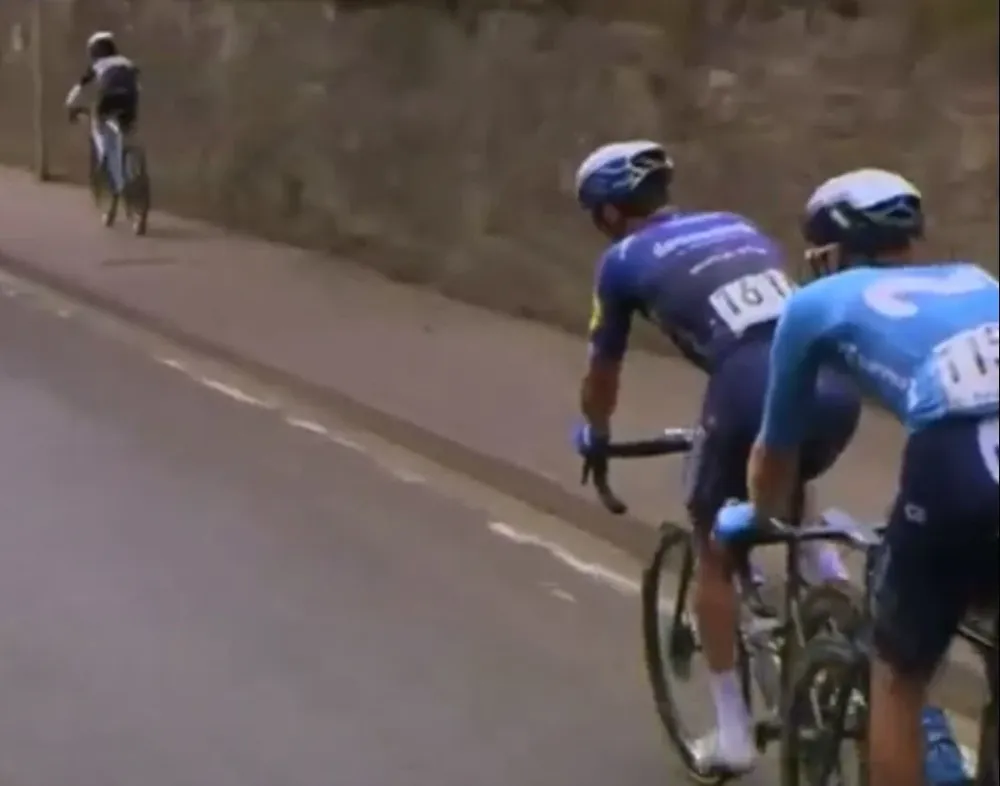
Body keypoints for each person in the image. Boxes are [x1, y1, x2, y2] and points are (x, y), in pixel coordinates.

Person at [569, 140, 862, 774]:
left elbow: (603, 371)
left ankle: (731, 733)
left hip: (748, 384)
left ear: (609, 213)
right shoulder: (736, 223)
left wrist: (595, 432)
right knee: (786, 454)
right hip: (837, 385)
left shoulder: (620, 262)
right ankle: (827, 572)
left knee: (713, 550)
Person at [722, 167, 998, 786]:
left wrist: (759, 518)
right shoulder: (978, 278)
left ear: (828, 252)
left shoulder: (815, 303)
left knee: (897, 676)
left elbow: (776, 450)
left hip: (956, 462)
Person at [65, 31, 141, 207]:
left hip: (108, 99)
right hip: (130, 100)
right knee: (125, 130)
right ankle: (133, 167)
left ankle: (104, 159)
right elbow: (137, 85)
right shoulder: (127, 62)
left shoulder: (98, 64)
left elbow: (79, 88)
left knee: (98, 124)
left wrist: (70, 106)